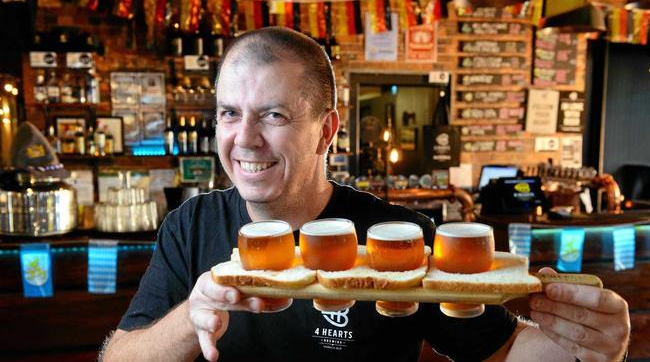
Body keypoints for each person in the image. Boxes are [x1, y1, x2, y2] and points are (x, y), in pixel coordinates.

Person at [102, 27, 630, 362]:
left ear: (327, 131)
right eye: (229, 113)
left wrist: (595, 347)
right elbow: (119, 357)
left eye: (274, 115)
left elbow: (508, 350)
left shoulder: (398, 240)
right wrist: (189, 316)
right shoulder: (190, 226)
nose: (244, 138)